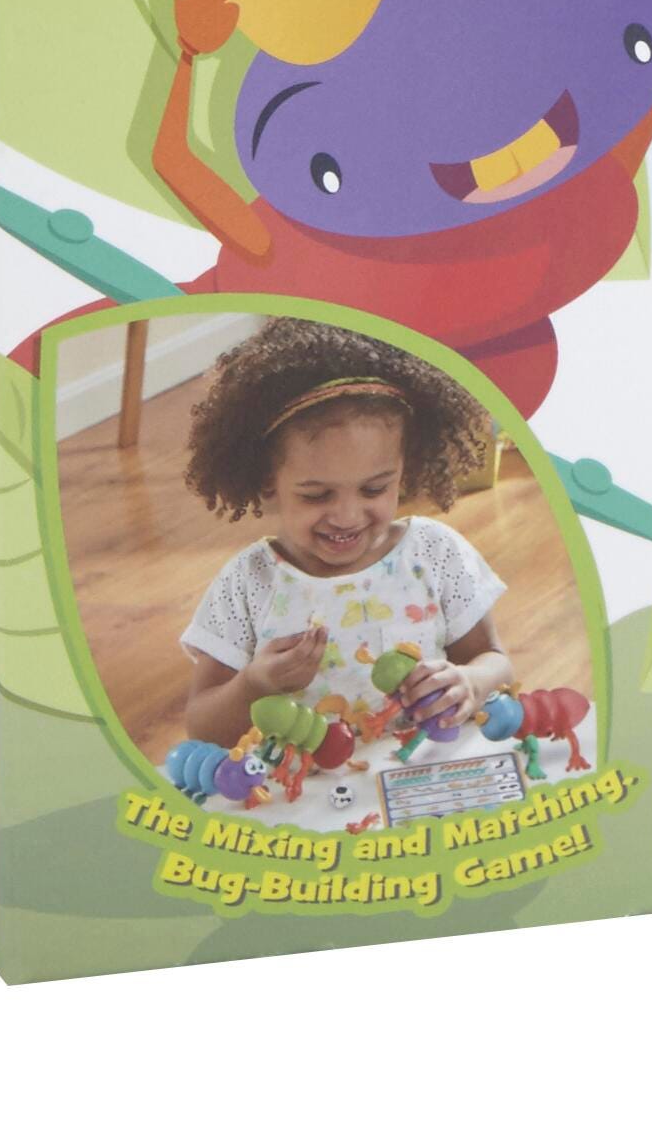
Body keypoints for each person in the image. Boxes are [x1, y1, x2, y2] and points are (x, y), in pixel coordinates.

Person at [167, 324, 520, 823]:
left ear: (404, 469)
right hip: (300, 807)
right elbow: (202, 728)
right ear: (268, 482)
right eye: (317, 495)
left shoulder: (435, 553)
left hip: (419, 789)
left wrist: (470, 680)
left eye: (374, 489)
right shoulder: (249, 582)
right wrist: (254, 685)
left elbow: (495, 661)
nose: (348, 516)